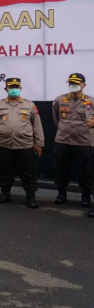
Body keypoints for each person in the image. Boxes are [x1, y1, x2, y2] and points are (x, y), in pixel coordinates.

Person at [0, 77, 44, 208]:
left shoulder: (29, 104)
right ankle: (5, 194)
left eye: (16, 87)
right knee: (5, 172)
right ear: (6, 89)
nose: (14, 90)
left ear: (20, 89)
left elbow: (37, 125)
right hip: (4, 145)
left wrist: (39, 143)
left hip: (25, 145)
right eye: (11, 87)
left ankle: (30, 197)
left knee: (28, 173)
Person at [52, 72, 93, 209]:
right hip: (63, 140)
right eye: (71, 83)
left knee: (85, 171)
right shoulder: (59, 100)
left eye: (76, 83)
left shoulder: (91, 101)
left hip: (83, 142)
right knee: (61, 169)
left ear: (84, 85)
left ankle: (86, 196)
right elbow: (56, 119)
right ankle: (61, 194)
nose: (73, 86)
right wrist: (65, 129)